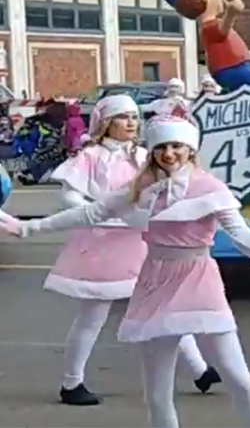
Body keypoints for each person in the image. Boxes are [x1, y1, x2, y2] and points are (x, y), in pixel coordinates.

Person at [1, 115, 250, 428]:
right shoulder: (142, 187)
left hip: (199, 280)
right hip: (154, 281)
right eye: (161, 147)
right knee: (157, 388)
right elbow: (90, 212)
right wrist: (29, 228)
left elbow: (241, 233)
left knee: (236, 374)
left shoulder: (208, 187)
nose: (168, 154)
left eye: (176, 146)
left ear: (191, 150)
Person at [44, 96, 219, 406]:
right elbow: (70, 197)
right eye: (122, 117)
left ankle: (201, 370)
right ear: (105, 122)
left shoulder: (145, 156)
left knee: (165, 305)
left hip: (142, 242)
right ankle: (71, 382)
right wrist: (104, 214)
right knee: (93, 316)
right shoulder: (91, 156)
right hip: (103, 245)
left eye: (134, 117)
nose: (130, 123)